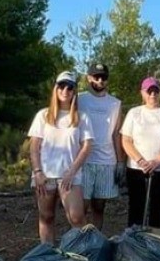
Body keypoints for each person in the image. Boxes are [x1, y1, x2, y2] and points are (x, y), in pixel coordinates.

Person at [28, 71, 93, 243]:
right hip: (45, 175)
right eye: (62, 86)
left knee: (77, 218)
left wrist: (72, 171)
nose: (65, 90)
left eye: (70, 87)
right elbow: (34, 146)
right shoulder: (43, 115)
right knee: (46, 216)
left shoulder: (81, 117)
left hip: (70, 176)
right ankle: (48, 253)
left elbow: (87, 146)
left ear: (74, 91)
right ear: (56, 89)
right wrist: (37, 172)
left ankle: (86, 253)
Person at [121, 77, 160, 232]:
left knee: (158, 208)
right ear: (142, 93)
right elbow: (126, 140)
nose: (152, 95)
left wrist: (157, 161)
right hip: (136, 168)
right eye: (149, 91)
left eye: (155, 91)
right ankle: (134, 244)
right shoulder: (134, 113)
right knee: (136, 206)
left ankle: (156, 244)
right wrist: (140, 160)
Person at [76, 62, 123, 230]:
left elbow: (116, 133)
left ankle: (97, 240)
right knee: (81, 206)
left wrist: (120, 161)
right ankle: (79, 239)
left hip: (106, 161)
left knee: (99, 206)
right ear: (89, 78)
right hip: (84, 160)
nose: (100, 80)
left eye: (103, 77)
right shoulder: (79, 99)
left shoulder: (115, 103)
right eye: (96, 77)